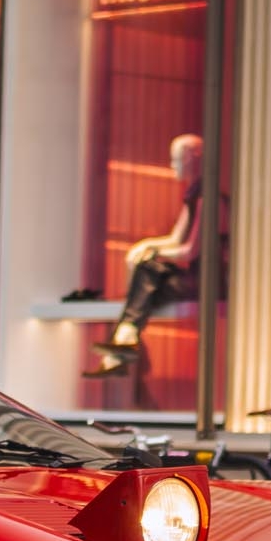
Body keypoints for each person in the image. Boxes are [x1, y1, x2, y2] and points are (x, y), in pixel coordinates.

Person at [87, 133, 211, 378]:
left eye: (177, 160)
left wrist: (151, 251)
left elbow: (190, 250)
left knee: (146, 276)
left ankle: (124, 342)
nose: (173, 166)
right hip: (193, 277)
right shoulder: (194, 196)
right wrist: (145, 246)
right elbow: (176, 239)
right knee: (145, 282)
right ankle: (125, 341)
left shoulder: (206, 198)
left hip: (205, 281)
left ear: (192, 158)